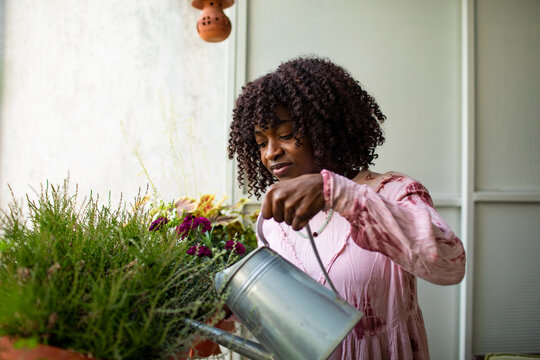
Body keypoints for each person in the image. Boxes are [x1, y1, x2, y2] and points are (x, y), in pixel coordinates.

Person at [227, 56, 466, 360]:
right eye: (261, 143)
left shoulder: (392, 192)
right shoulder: (275, 218)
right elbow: (280, 315)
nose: (271, 153)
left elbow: (449, 266)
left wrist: (336, 192)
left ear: (324, 127)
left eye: (285, 135)